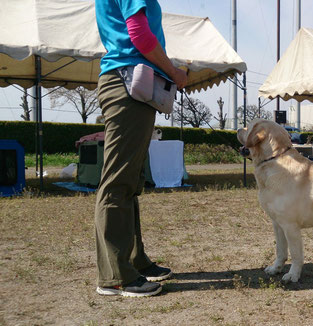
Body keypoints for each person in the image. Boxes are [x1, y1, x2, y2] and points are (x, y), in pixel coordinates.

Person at [94, 0, 187, 297]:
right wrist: (174, 71)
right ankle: (116, 276)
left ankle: (134, 260)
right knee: (119, 182)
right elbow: (140, 35)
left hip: (132, 83)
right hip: (128, 83)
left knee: (130, 181)